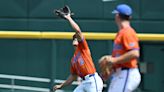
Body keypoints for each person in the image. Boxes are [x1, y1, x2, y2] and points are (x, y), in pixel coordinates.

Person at [53, 11, 103, 92]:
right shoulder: (73, 60)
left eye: (77, 37)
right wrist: (61, 86)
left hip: (93, 81)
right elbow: (73, 76)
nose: (75, 38)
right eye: (74, 38)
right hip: (84, 82)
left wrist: (69, 18)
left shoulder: (83, 48)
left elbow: (78, 31)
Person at [99, 4, 141, 92]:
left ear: (117, 16)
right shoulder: (121, 33)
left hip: (128, 72)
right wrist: (110, 69)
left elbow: (135, 53)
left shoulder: (127, 32)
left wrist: (114, 60)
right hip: (119, 73)